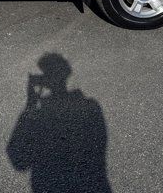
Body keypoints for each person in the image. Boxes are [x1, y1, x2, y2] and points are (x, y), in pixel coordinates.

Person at [7, 53, 111, 193]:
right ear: (67, 73)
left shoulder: (40, 116)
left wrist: (31, 104)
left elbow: (18, 161)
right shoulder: (92, 107)